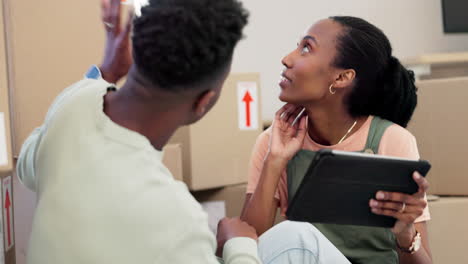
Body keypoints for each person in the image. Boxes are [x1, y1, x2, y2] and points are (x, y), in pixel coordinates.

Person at [16, 0, 261, 263]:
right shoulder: (176, 217)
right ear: (202, 102)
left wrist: (107, 70)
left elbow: (29, 166)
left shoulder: (73, 106)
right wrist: (241, 246)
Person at [241, 16, 433, 264]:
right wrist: (275, 160)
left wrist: (406, 234)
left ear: (342, 78)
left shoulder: (392, 140)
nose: (287, 58)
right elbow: (246, 249)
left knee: (296, 235)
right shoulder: (274, 141)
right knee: (292, 237)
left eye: (306, 48)